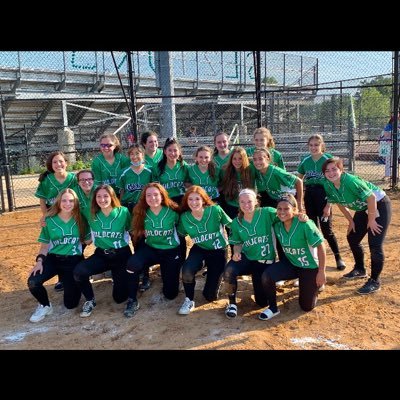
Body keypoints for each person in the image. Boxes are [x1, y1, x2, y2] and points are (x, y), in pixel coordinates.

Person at [322, 157, 392, 294]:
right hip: (363, 208)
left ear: (341, 170)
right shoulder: (328, 184)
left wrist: (371, 220)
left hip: (379, 204)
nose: (331, 173)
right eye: (327, 171)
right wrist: (351, 221)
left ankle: (375, 281)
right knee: (353, 237)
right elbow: (340, 203)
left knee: (375, 244)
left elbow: (371, 197)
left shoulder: (350, 181)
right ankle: (360, 269)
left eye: (334, 169)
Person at [259, 194, 326, 320]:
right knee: (267, 275)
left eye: (286, 209)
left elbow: (321, 246)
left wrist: (321, 271)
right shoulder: (277, 223)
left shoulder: (305, 224)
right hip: (292, 264)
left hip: (309, 266)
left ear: (294, 210)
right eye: (279, 208)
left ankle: (314, 284)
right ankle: (273, 308)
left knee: (306, 306)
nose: (282, 212)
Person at [27, 188, 90, 322]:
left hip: (73, 261)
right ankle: (45, 305)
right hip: (53, 259)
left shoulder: (81, 218)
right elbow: (44, 246)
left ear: (76, 203)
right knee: (33, 281)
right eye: (64, 200)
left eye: (71, 201)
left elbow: (88, 240)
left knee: (71, 304)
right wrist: (39, 262)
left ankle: (74, 283)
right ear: (59, 202)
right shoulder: (49, 220)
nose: (68, 204)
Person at [73, 184, 132, 317]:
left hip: (121, 255)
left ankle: (117, 276)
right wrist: (46, 217)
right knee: (79, 272)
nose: (102, 199)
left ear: (112, 197)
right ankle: (90, 300)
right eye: (99, 196)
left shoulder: (123, 211)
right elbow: (69, 211)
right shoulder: (90, 212)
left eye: (106, 196)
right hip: (102, 254)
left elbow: (131, 229)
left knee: (120, 298)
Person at [124, 183, 182, 318]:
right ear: (144, 197)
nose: (152, 198)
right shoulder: (141, 211)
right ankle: (132, 299)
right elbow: (135, 232)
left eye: (156, 194)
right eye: (148, 195)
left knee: (171, 294)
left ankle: (169, 275)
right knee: (132, 264)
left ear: (162, 195)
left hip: (170, 251)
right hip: (151, 249)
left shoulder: (174, 211)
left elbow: (182, 233)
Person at [177, 186, 232, 315]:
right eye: (190, 199)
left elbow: (232, 225)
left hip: (218, 251)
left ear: (204, 199)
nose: (194, 202)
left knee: (210, 296)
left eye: (197, 198)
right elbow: (179, 235)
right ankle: (189, 299)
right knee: (187, 270)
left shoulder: (215, 210)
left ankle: (212, 272)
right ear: (186, 201)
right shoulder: (185, 217)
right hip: (200, 249)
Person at [223, 188, 278, 319]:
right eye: (242, 202)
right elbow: (237, 242)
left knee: (261, 302)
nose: (246, 205)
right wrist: (236, 252)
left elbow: (286, 214)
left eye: (249, 201)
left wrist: (300, 215)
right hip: (248, 258)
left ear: (256, 201)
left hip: (264, 261)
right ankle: (232, 304)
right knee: (229, 270)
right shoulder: (236, 222)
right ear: (238, 203)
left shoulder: (267, 213)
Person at [297, 134, 346, 270]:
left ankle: (338, 257)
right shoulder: (305, 160)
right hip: (310, 196)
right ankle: (314, 260)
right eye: (311, 145)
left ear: (322, 145)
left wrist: (328, 205)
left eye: (316, 145)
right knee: (312, 228)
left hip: (323, 195)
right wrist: (299, 200)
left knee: (326, 230)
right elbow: (299, 180)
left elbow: (331, 185)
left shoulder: (327, 159)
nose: (313, 147)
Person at [35, 151, 78, 292]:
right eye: (55, 162)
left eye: (61, 161)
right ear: (51, 165)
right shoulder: (47, 180)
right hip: (54, 215)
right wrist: (46, 215)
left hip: (71, 214)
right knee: (57, 245)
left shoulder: (73, 179)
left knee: (75, 241)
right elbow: (42, 199)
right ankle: (62, 278)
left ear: (66, 163)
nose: (58, 164)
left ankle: (78, 271)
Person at [117, 144, 153, 214]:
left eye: (137, 153)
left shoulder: (150, 171)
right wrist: (121, 207)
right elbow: (122, 192)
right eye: (131, 154)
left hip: (145, 205)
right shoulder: (123, 173)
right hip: (128, 205)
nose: (134, 156)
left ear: (142, 154)